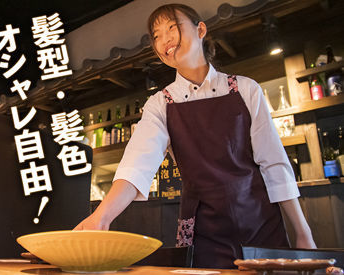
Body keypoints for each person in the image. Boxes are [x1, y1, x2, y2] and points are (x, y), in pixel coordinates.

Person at [75, 3, 316, 268]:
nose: (164, 39)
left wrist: (303, 233)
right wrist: (102, 217)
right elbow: (136, 165)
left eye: (171, 27)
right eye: (156, 36)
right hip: (203, 230)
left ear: (200, 29)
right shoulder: (161, 103)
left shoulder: (245, 89)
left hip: (260, 221)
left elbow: (274, 164)